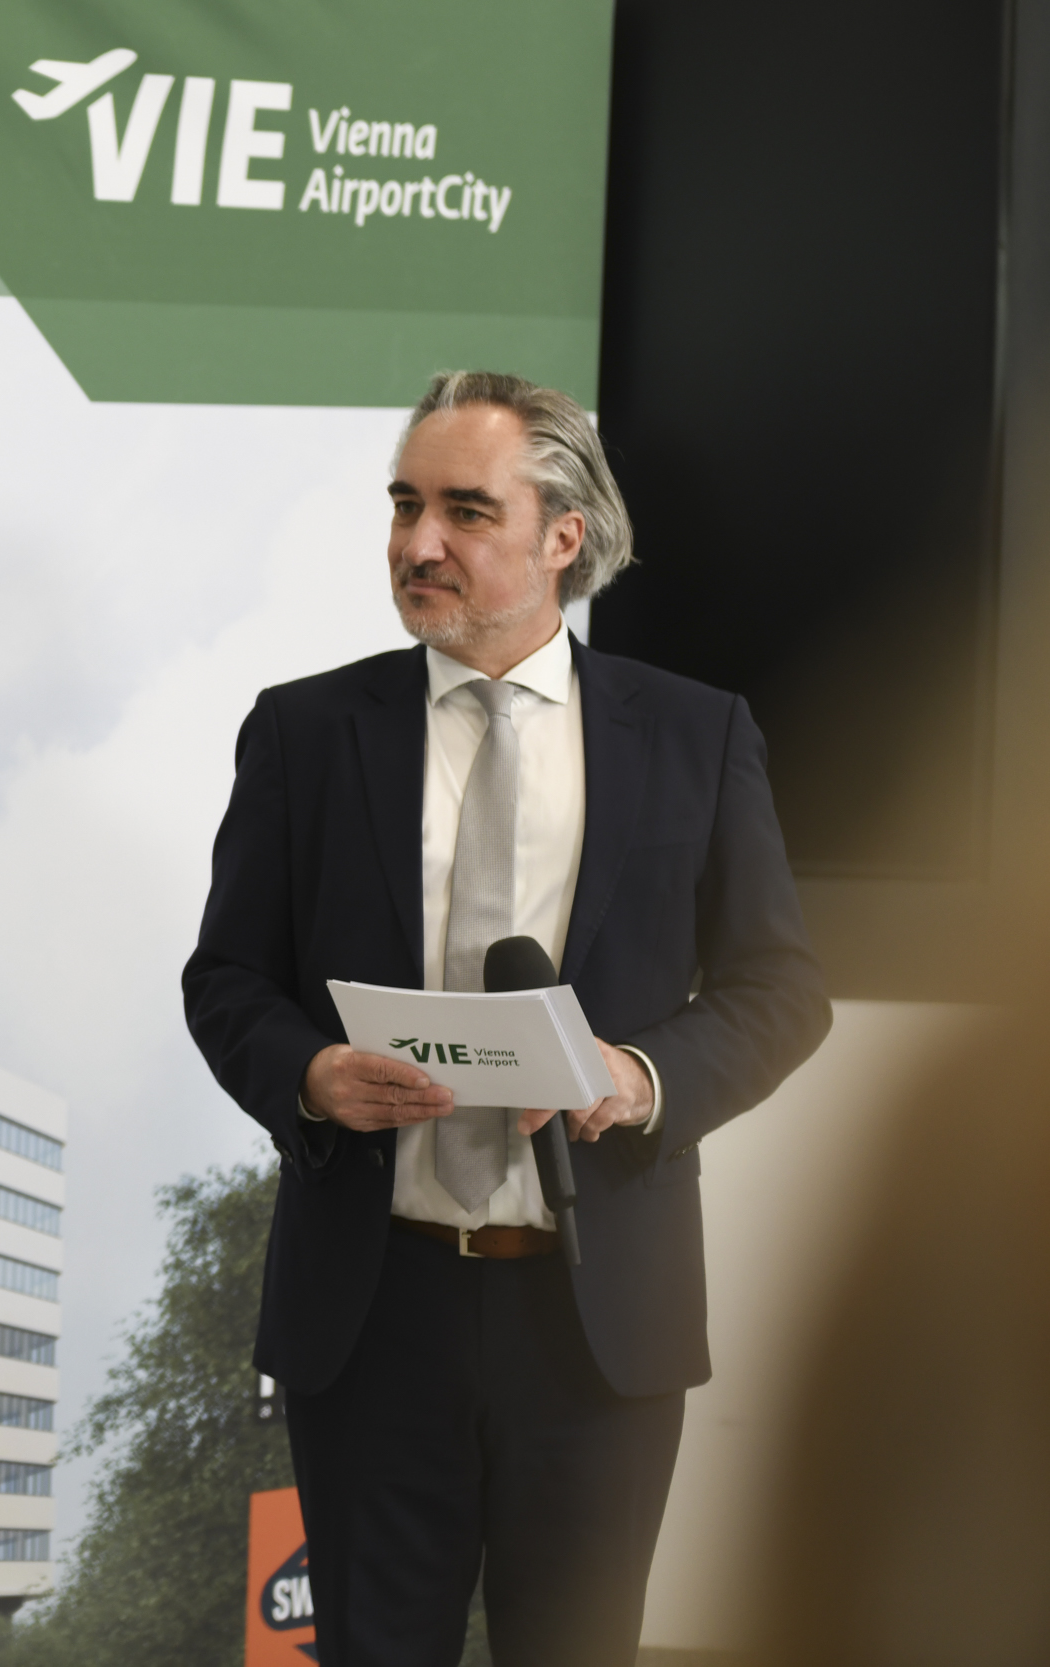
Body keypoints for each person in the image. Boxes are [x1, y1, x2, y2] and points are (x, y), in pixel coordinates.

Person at [180, 371, 830, 1666]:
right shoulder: (304, 733)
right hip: (373, 1313)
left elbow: (779, 991)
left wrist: (637, 1076)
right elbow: (228, 980)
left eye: (466, 511)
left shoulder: (696, 737)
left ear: (562, 537)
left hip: (600, 1321)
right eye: (404, 506)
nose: (419, 542)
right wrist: (310, 1074)